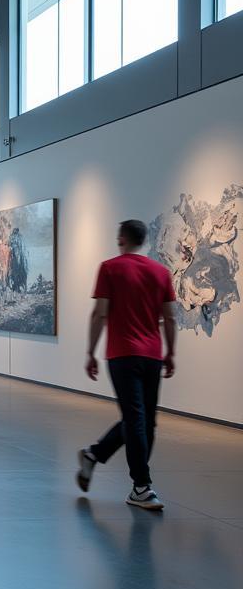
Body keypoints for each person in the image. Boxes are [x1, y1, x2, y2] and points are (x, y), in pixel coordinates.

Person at [77, 219, 177, 511]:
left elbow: (99, 314)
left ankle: (94, 455)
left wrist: (89, 352)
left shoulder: (110, 268)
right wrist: (171, 352)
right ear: (144, 241)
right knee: (143, 421)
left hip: (121, 355)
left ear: (121, 239)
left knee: (138, 420)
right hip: (152, 355)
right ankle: (141, 486)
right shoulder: (161, 272)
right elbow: (170, 317)